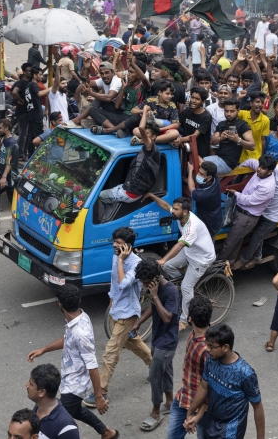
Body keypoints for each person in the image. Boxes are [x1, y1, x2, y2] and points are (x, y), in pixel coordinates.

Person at [27, 285, 118, 439]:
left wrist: (98, 396)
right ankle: (107, 432)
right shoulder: (80, 317)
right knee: (76, 411)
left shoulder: (80, 333)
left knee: (53, 419)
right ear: (79, 301)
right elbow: (68, 339)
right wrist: (44, 349)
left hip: (75, 386)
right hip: (69, 379)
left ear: (60, 304)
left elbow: (92, 366)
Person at [83, 227, 152, 407]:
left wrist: (121, 260)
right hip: (117, 310)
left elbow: (123, 283)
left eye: (119, 243)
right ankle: (156, 366)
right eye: (114, 241)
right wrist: (111, 301)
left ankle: (101, 393)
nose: (114, 245)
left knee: (111, 352)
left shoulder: (135, 263)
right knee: (132, 342)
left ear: (127, 246)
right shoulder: (116, 256)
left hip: (128, 314)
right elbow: (114, 281)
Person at [143, 196, 215, 330]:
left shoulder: (192, 226)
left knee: (187, 287)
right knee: (169, 266)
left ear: (185, 211)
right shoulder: (179, 216)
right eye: (174, 208)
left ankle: (184, 320)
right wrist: (151, 195)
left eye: (176, 209)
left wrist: (163, 259)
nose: (173, 211)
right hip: (190, 251)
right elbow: (165, 206)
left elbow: (180, 245)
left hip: (201, 258)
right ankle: (181, 290)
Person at [183, 324, 265, 439]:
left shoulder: (245, 373)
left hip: (230, 431)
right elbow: (203, 386)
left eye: (211, 346)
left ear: (225, 347)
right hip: (211, 424)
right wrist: (191, 412)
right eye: (206, 344)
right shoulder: (211, 360)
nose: (207, 349)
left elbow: (257, 406)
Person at [133, 258, 180, 432]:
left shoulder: (171, 292)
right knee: (166, 372)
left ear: (156, 277)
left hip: (167, 342)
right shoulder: (156, 289)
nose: (145, 286)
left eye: (146, 282)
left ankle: (155, 412)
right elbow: (153, 307)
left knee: (155, 376)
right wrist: (139, 322)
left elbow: (167, 317)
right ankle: (169, 403)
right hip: (157, 338)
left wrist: (154, 295)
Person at [218, 155, 277, 269]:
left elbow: (248, 200)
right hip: (240, 211)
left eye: (263, 168)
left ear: (270, 171)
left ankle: (217, 265)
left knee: (230, 242)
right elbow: (251, 161)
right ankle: (229, 264)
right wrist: (239, 168)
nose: (259, 169)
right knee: (236, 240)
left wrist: (235, 193)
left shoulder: (267, 187)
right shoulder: (261, 170)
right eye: (260, 166)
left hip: (247, 217)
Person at [166, 296, 212, 439]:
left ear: (190, 318)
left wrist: (196, 415)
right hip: (183, 397)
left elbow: (210, 386)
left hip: (202, 406)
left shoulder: (208, 350)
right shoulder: (194, 335)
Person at [97, 113, 161, 204]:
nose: (143, 135)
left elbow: (141, 128)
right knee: (107, 200)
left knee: (98, 196)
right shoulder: (153, 150)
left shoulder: (150, 148)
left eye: (146, 134)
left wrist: (145, 110)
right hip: (133, 189)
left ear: (153, 137)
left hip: (129, 192)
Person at [27, 364, 80, 439]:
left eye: (31, 384)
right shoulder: (38, 407)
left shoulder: (67, 428)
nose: (27, 385)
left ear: (42, 392)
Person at [205, 99, 256, 174]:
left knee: (203, 166)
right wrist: (221, 138)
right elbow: (212, 142)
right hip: (218, 158)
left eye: (232, 111)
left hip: (229, 163)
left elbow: (252, 146)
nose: (228, 114)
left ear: (238, 111)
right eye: (226, 111)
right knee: (196, 161)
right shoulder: (221, 124)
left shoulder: (242, 125)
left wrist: (238, 140)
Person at [11, 64, 43, 160]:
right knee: (23, 134)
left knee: (29, 134)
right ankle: (21, 153)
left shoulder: (31, 83)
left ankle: (25, 152)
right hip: (23, 112)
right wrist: (20, 100)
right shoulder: (21, 83)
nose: (31, 72)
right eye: (29, 71)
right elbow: (13, 92)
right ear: (24, 72)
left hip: (29, 112)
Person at [188, 161, 222, 239]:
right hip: (216, 219)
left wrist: (190, 171)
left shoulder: (202, 195)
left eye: (201, 174)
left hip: (209, 226)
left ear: (209, 177)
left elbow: (192, 188)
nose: (198, 175)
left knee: (207, 248)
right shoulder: (215, 178)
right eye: (199, 172)